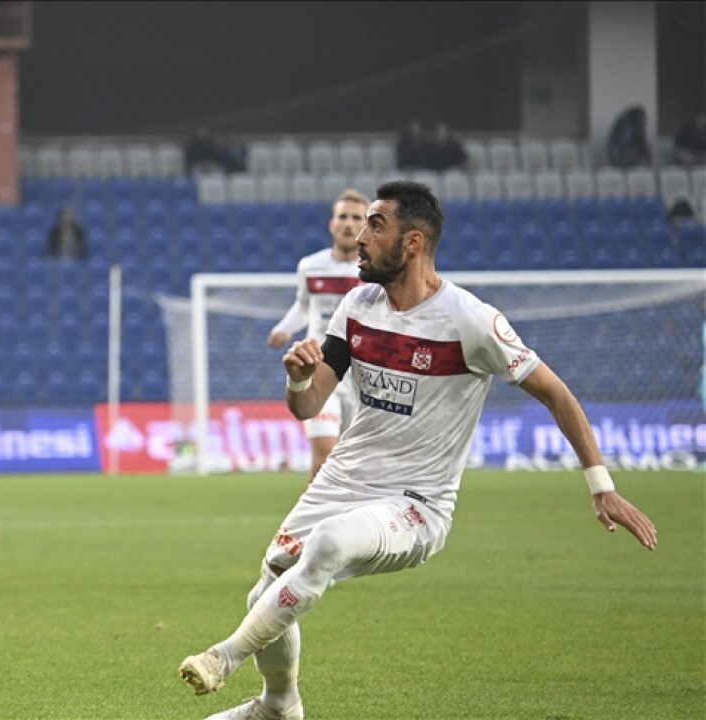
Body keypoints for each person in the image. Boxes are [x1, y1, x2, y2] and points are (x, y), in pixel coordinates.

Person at [177, 180, 657, 720]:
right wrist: (297, 378)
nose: (360, 237)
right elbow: (309, 406)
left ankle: (224, 656)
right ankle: (278, 706)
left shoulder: (470, 320)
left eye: (375, 225)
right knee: (263, 594)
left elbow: (556, 393)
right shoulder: (357, 306)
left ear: (412, 243)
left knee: (330, 543)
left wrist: (601, 486)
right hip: (342, 480)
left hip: (415, 502)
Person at [267, 189, 367, 490]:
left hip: (362, 376)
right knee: (324, 458)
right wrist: (285, 328)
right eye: (343, 217)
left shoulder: (374, 270)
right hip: (321, 369)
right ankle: (308, 521)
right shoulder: (310, 266)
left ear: (366, 226)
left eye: (356, 218)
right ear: (332, 224)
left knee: (356, 465)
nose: (348, 223)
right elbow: (303, 306)